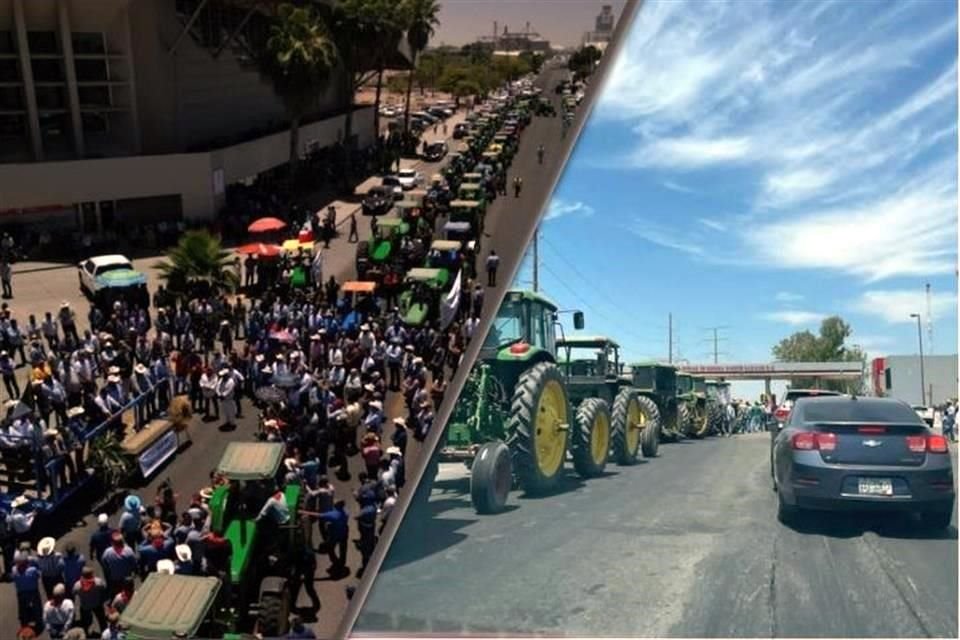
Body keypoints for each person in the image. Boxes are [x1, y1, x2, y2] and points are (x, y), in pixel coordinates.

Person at [73, 565, 108, 637]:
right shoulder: (98, 582)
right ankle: (105, 634)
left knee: (85, 622)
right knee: (102, 620)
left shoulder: (78, 585)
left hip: (85, 605)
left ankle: (86, 634)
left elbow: (73, 592)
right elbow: (104, 588)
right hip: (97, 604)